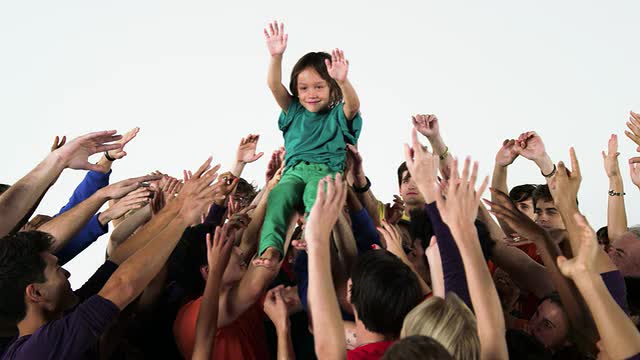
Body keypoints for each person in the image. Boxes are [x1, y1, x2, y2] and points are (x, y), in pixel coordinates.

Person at [258, 21, 362, 262]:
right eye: (303, 88)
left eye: (319, 87)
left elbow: (353, 106)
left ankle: (311, 235)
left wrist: (344, 81)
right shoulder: (294, 111)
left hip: (325, 172)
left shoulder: (338, 115)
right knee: (278, 197)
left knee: (317, 194)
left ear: (333, 89)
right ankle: (271, 248)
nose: (310, 94)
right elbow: (274, 86)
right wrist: (276, 57)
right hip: (293, 172)